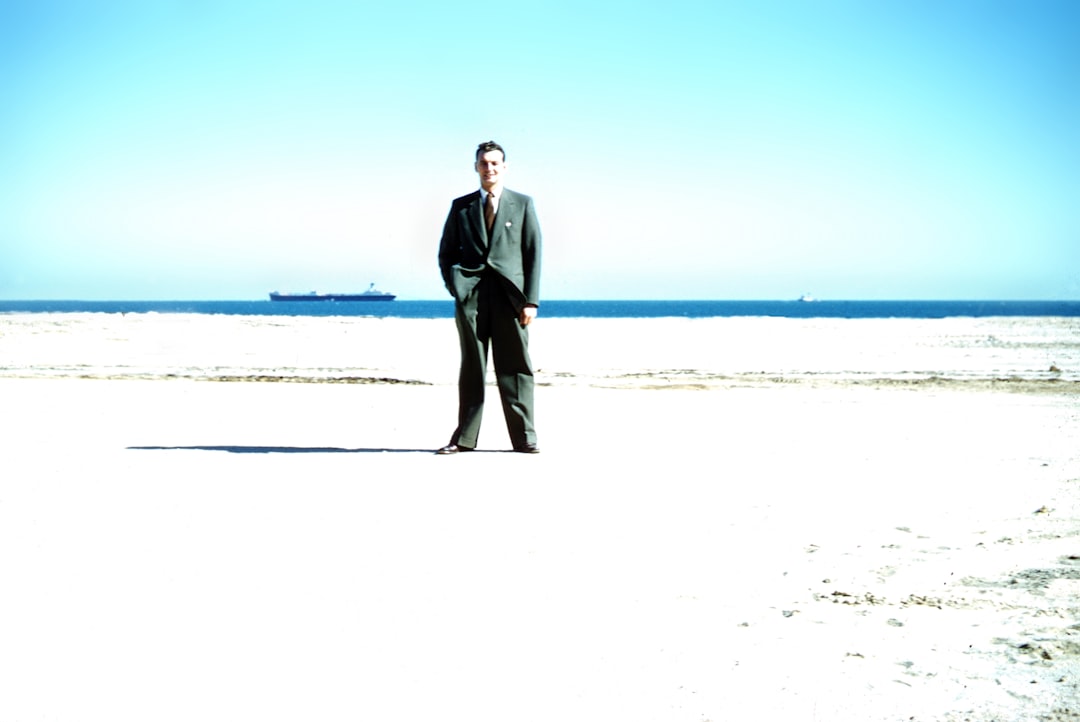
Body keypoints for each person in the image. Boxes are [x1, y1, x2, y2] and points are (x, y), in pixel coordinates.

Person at [436, 140, 542, 454]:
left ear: (504, 167)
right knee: (472, 368)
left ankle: (525, 438)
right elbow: (446, 253)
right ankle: (464, 439)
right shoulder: (462, 206)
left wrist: (531, 301)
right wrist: (457, 286)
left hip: (512, 300)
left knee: (516, 368)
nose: (489, 169)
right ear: (476, 167)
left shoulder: (523, 204)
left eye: (495, 163)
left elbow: (533, 254)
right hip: (471, 299)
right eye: (484, 163)